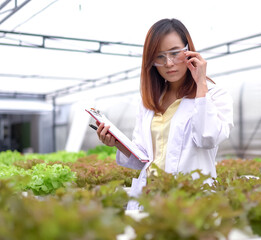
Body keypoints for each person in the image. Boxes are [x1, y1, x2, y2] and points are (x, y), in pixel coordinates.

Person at [96, 18, 233, 210]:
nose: (169, 63)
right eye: (159, 57)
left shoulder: (214, 95)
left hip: (191, 202)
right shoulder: (150, 102)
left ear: (189, 51)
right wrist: (117, 142)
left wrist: (201, 83)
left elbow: (207, 137)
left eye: (175, 53)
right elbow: (143, 159)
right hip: (150, 199)